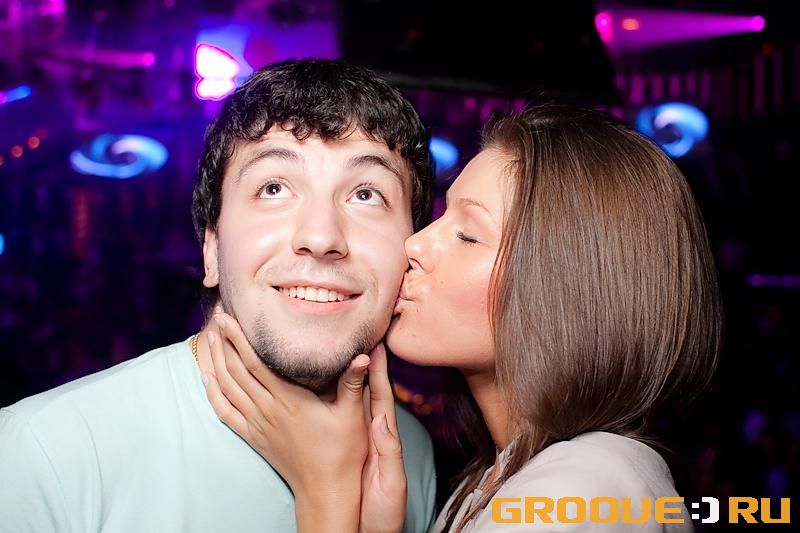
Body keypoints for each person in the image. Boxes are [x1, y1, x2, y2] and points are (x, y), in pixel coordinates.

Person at [203, 104, 722, 532]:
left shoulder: (579, 492)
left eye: (467, 235)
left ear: (568, 288)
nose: (414, 245)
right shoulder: (499, 480)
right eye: (439, 218)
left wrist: (326, 492)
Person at [0, 59, 438, 533]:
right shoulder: (46, 453)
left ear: (411, 252)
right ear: (211, 249)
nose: (320, 236)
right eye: (274, 188)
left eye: (367, 195)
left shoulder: (407, 455)